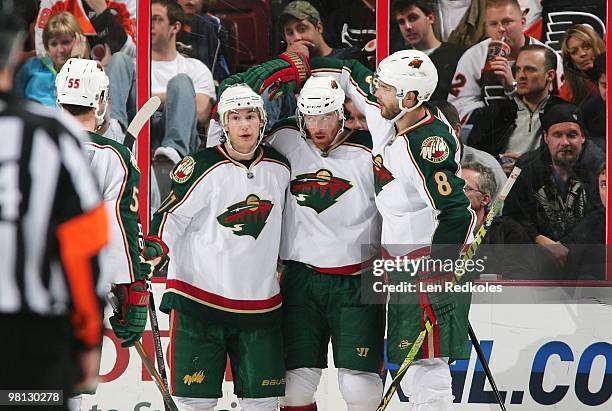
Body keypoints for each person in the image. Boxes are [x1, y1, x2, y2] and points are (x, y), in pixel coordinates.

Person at [308, 50, 476, 410]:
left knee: (428, 366)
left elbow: (457, 214)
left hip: (426, 267)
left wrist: (439, 274)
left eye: (384, 88)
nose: (376, 92)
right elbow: (352, 74)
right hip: (402, 266)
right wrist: (304, 60)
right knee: (414, 366)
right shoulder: (390, 116)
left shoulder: (428, 145)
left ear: (411, 97)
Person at [213, 74, 385, 410]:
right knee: (292, 388)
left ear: (342, 113)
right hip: (300, 280)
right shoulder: (283, 138)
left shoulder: (370, 149)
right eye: (310, 117)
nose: (318, 126)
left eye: (326, 117)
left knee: (359, 386)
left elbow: (400, 206)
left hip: (358, 280)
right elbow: (232, 132)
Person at [150, 84, 290, 411]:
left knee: (264, 403)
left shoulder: (281, 168)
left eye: (251, 117)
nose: (244, 125)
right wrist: (155, 250)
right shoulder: (199, 165)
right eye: (236, 117)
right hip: (199, 301)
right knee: (195, 403)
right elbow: (171, 216)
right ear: (223, 124)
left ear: (262, 122)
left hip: (260, 303)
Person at [0, 10, 108, 410]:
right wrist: (87, 340)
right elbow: (84, 246)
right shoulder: (50, 134)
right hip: (32, 342)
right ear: (15, 53)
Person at [107, 0, 216, 165]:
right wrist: (174, 99)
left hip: (176, 131)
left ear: (175, 27)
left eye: (157, 19)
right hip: (135, 130)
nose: (150, 25)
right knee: (118, 59)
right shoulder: (130, 67)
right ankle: (115, 131)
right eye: (147, 19)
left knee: (181, 82)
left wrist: (150, 101)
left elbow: (201, 111)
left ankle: (172, 153)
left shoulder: (194, 67)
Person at [503, 103, 604, 278]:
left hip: (586, 256)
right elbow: (512, 213)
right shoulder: (525, 166)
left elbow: (600, 213)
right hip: (538, 252)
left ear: (583, 138)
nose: (565, 142)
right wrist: (539, 239)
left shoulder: (599, 165)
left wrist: (566, 246)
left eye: (572, 135)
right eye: (557, 135)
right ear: (546, 137)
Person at [448, 0, 563, 122]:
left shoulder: (548, 56)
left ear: (522, 22)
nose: (501, 29)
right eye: (493, 24)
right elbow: (459, 105)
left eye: (507, 22)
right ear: (486, 27)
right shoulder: (474, 56)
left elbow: (560, 103)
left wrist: (513, 87)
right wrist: (493, 119)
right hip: (488, 133)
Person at [465, 44, 567, 170]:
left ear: (550, 75)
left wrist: (525, 164)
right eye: (518, 69)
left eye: (530, 69)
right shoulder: (494, 113)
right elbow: (472, 158)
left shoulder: (564, 115)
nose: (521, 76)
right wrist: (497, 163)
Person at [392, 0, 466, 101]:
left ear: (430, 18)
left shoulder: (459, 55)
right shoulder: (397, 60)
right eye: (401, 22)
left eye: (413, 18)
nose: (407, 27)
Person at [14, 11, 89, 106]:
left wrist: (76, 62)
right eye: (54, 44)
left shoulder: (91, 73)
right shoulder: (32, 66)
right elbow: (14, 101)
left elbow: (80, 110)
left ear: (80, 40)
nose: (60, 50)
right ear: (46, 47)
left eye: (66, 42)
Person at [35, 0, 136, 58]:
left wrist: (104, 16)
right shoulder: (55, 2)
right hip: (68, 79)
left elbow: (135, 54)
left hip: (114, 78)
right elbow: (42, 51)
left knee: (120, 61)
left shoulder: (128, 2)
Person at [559, 24, 606, 107]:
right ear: (570, 60)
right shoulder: (568, 91)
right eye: (574, 52)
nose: (582, 54)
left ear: (598, 46)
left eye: (587, 47)